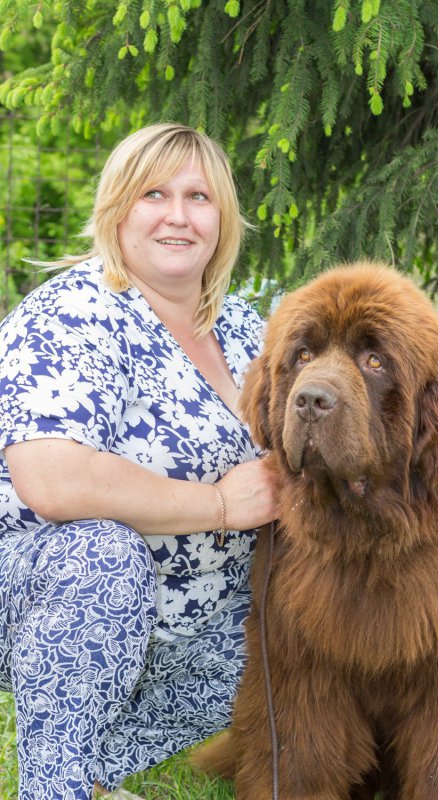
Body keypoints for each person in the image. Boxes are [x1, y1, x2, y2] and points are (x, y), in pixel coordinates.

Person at [0, 122, 278, 800]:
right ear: (117, 208)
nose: (178, 216)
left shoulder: (247, 329)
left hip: (194, 603)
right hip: (46, 585)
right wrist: (218, 505)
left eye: (199, 197)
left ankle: (94, 771)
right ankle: (54, 786)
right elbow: (54, 479)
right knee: (102, 554)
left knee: (299, 607)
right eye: (154, 193)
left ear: (224, 218)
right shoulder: (74, 313)